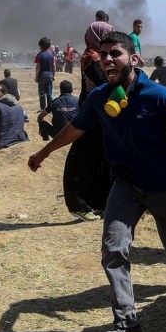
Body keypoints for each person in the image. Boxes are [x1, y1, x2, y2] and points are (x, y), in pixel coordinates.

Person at [27, 32, 166, 332]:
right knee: (113, 249)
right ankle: (128, 324)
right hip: (125, 184)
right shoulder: (100, 96)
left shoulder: (160, 97)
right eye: (103, 55)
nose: (108, 59)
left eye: (115, 53)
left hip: (165, 185)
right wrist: (44, 152)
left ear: (133, 59)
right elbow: (75, 127)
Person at [62, 17, 114, 223]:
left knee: (102, 160)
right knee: (83, 160)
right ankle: (78, 204)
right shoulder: (92, 58)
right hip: (92, 117)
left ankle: (99, 203)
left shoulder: (98, 56)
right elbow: (105, 82)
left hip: (101, 117)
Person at [34, 37, 55, 112]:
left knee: (42, 93)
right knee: (49, 93)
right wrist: (53, 75)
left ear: (41, 46)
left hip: (42, 76)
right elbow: (53, 66)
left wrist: (36, 76)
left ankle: (43, 108)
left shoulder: (39, 55)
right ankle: (50, 108)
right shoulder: (51, 55)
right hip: (49, 76)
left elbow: (38, 66)